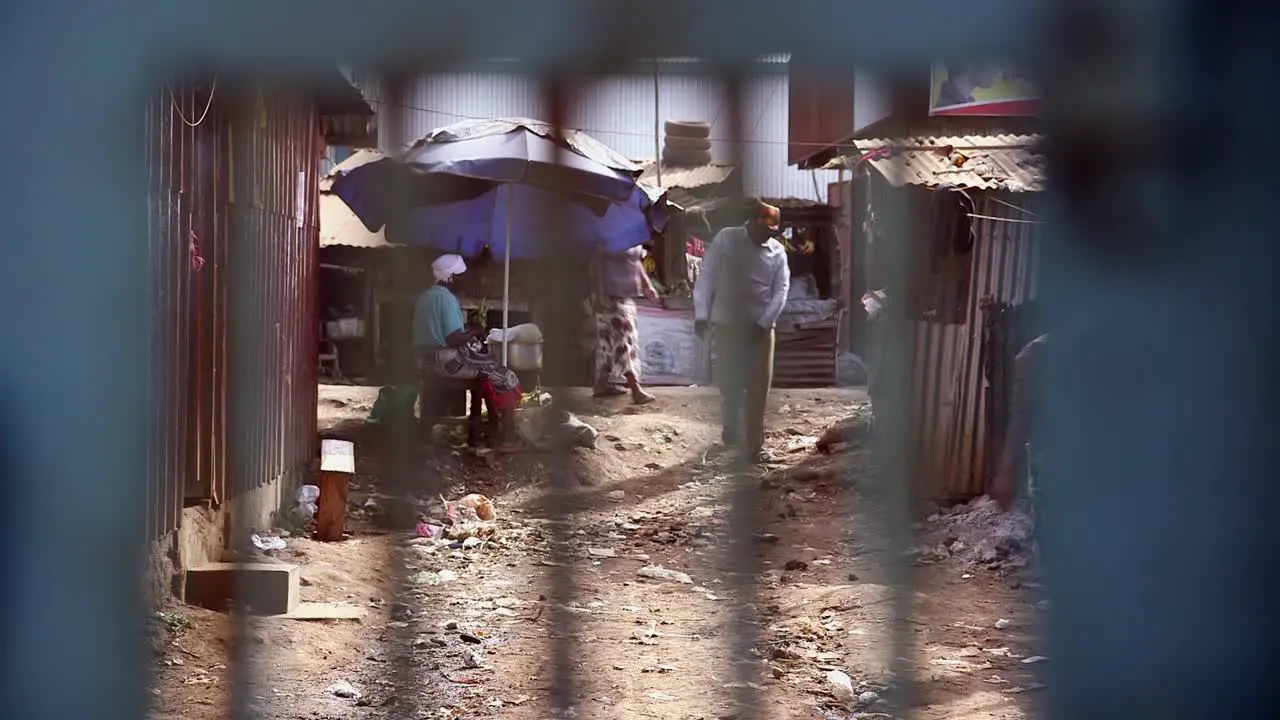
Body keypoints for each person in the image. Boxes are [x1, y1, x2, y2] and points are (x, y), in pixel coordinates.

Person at [693, 198, 790, 464]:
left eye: (772, 233)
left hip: (760, 330)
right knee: (730, 383)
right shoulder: (727, 239)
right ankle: (731, 435)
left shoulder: (778, 252)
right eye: (764, 231)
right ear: (751, 223)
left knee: (758, 388)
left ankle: (754, 446)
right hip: (726, 325)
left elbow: (781, 291)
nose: (767, 237)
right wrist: (702, 314)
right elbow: (707, 276)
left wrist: (764, 323)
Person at [412, 253, 522, 449]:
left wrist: (467, 330)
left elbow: (439, 331)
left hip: (426, 362)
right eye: (461, 275)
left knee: (486, 369)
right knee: (499, 372)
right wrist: (475, 332)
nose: (464, 280)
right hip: (446, 362)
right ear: (450, 277)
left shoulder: (425, 296)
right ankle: (501, 434)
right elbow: (453, 339)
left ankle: (477, 431)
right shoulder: (446, 299)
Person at [589, 244, 658, 405]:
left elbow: (636, 261)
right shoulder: (606, 235)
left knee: (607, 342)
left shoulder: (633, 235)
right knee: (623, 342)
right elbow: (595, 266)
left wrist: (647, 285)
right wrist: (599, 295)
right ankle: (635, 388)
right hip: (609, 297)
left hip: (626, 297)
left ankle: (601, 384)